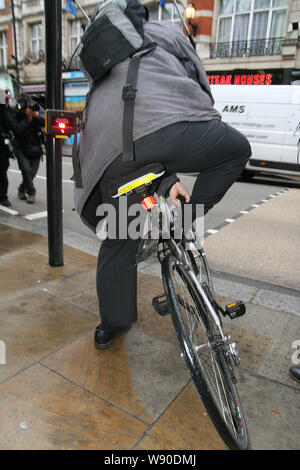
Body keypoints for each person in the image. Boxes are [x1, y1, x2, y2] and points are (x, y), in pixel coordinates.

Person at [73, 15, 252, 350]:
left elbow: (131, 133)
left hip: (108, 159)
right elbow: (194, 78)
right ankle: (185, 220)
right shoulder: (165, 31)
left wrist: (166, 179)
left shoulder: (103, 57)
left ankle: (111, 324)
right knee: (235, 151)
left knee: (118, 238)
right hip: (167, 129)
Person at [5, 101, 44, 204]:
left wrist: (37, 116)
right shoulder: (19, 116)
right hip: (21, 148)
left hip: (35, 149)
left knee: (32, 173)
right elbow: (17, 130)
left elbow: (46, 122)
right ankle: (31, 192)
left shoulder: (37, 118)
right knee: (26, 170)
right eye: (29, 109)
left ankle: (22, 189)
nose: (30, 111)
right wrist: (28, 119)